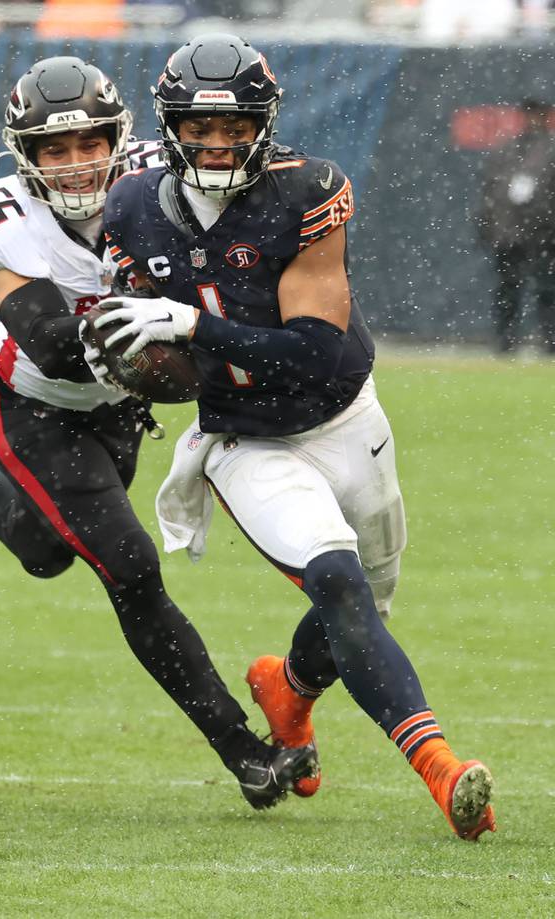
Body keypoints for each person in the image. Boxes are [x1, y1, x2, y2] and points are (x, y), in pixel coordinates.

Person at [0, 56, 316, 810]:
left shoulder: (161, 175)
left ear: (121, 138)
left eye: (89, 143)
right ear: (25, 156)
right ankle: (242, 748)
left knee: (44, 550)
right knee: (129, 566)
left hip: (116, 409)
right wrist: (164, 344)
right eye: (54, 149)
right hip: (30, 406)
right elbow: (50, 341)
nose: (76, 164)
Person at [95, 33, 495, 839]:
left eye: (234, 127)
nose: (216, 145)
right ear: (170, 129)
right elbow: (121, 328)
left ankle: (289, 688)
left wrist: (192, 323)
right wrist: (129, 361)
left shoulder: (305, 191)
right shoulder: (132, 205)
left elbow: (313, 351)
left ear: (264, 125)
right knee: (341, 587)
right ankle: (442, 767)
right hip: (247, 443)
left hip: (345, 416)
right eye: (199, 129)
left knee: (366, 604)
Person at [477, 97, 555, 353]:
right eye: (528, 114)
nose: (533, 120)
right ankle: (506, 342)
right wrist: (490, 227)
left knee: (547, 291)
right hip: (510, 234)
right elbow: (491, 191)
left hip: (546, 235)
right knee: (508, 290)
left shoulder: (551, 149)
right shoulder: (507, 150)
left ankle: (550, 342)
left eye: (537, 115)